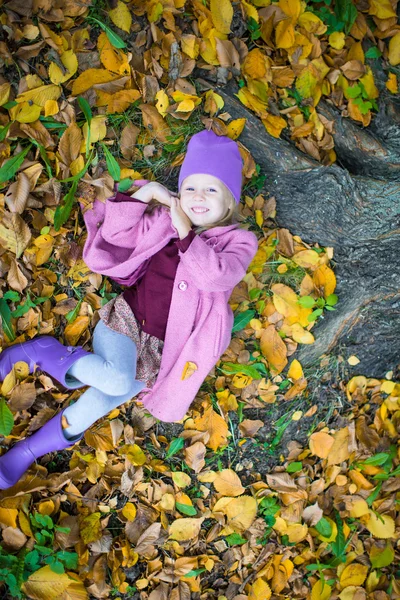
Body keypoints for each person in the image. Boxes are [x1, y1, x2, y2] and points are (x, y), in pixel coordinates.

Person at [0, 129, 259, 490]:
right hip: (126, 322)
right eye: (190, 188)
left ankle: (27, 452)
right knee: (118, 379)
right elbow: (118, 237)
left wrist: (187, 234)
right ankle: (43, 353)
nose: (198, 197)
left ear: (230, 201)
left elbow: (216, 277)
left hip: (159, 353)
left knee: (97, 405)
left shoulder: (237, 243)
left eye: (211, 189)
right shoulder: (166, 221)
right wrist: (145, 196)